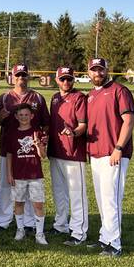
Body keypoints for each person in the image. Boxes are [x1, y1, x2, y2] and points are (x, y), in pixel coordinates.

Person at [86, 57, 134, 258]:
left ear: (107, 70)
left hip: (113, 153)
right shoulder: (91, 94)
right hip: (96, 152)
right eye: (94, 70)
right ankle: (105, 238)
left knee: (111, 199)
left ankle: (115, 244)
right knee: (101, 199)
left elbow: (129, 121)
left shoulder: (119, 90)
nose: (97, 73)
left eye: (101, 70)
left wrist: (118, 147)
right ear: (88, 73)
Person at [0, 64, 49, 236]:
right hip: (8, 149)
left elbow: (46, 122)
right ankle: (3, 219)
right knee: (6, 186)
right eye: (18, 75)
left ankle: (30, 222)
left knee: (31, 186)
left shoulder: (37, 97)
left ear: (28, 77)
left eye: (24, 75)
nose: (21, 78)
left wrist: (43, 137)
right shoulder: (4, 97)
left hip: (30, 152)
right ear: (12, 76)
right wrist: (0, 118)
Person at [47, 67, 89, 245]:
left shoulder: (79, 97)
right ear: (57, 80)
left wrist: (74, 132)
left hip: (73, 152)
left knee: (76, 193)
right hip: (56, 150)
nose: (66, 82)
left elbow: (83, 125)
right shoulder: (55, 97)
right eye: (63, 79)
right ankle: (60, 224)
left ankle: (79, 232)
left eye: (69, 79)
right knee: (59, 191)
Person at [6, 104, 49, 245]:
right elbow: (9, 155)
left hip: (35, 175)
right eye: (21, 115)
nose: (24, 117)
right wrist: (9, 173)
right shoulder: (12, 133)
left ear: (31, 116)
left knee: (38, 205)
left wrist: (38, 145)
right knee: (18, 203)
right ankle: (20, 229)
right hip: (18, 175)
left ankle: (40, 233)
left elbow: (43, 156)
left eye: (26, 115)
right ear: (16, 116)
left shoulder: (37, 132)